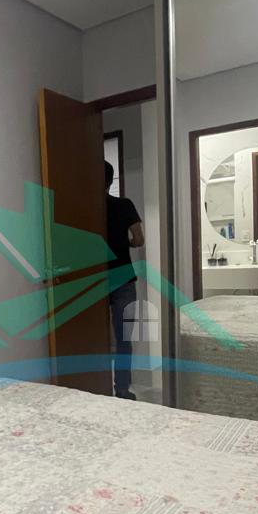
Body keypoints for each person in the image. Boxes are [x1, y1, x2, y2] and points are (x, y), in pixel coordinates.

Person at [104, 160, 145, 398]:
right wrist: (123, 243)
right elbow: (139, 239)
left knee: (93, 338)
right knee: (123, 339)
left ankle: (95, 387)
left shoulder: (84, 208)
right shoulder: (124, 205)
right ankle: (121, 389)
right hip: (123, 277)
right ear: (111, 181)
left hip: (94, 279)